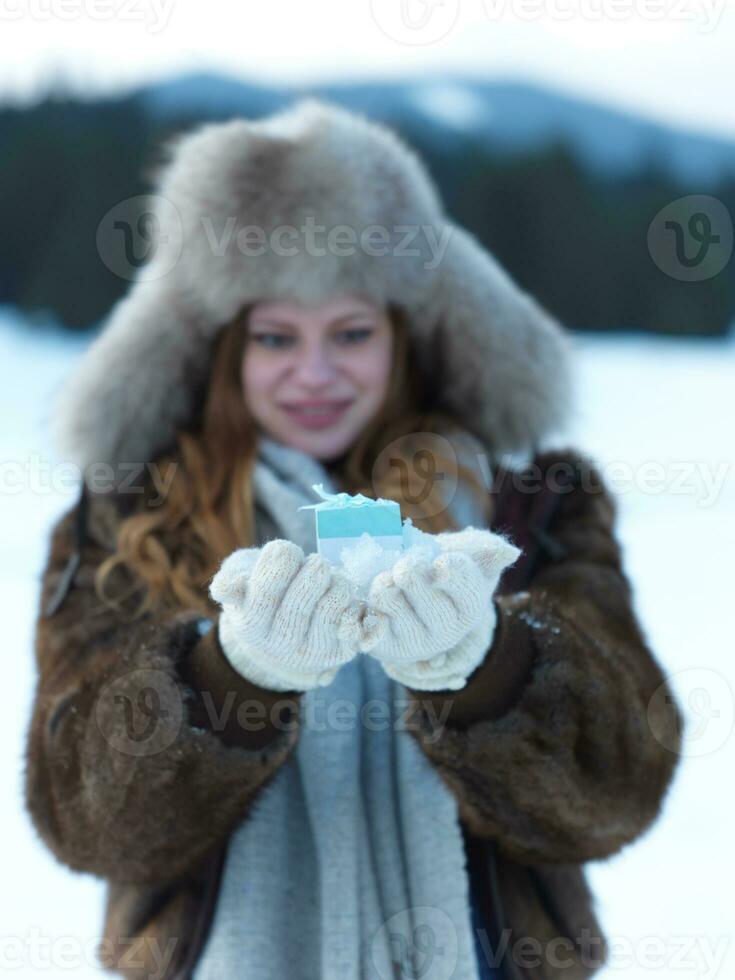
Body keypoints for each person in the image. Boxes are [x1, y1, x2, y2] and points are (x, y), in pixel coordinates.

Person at [24, 99, 683, 980]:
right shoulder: (129, 513)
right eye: (274, 338)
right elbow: (83, 817)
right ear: (223, 352)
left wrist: (483, 669)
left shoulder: (532, 501)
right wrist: (229, 679)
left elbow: (620, 788)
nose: (315, 372)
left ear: (404, 336)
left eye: (351, 332)